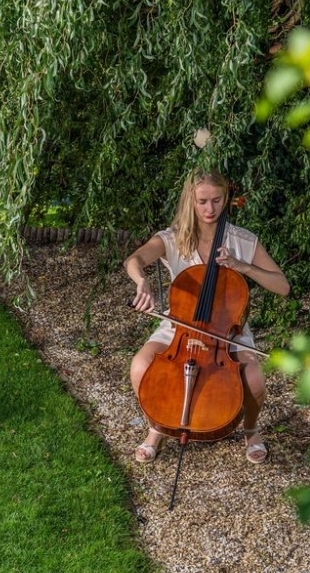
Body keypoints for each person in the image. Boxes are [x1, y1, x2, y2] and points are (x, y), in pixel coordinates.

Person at [122, 171, 290, 464]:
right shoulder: (172, 239)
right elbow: (134, 260)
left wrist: (243, 267)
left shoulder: (242, 241)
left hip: (227, 331)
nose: (209, 209)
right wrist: (141, 282)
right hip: (179, 327)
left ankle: (251, 430)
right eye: (202, 202)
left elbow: (283, 286)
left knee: (254, 378)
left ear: (227, 200)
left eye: (216, 200)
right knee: (140, 366)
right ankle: (158, 427)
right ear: (190, 200)